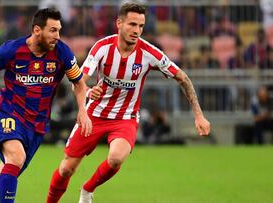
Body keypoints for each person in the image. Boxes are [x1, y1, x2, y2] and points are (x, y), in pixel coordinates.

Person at [46, 3, 210, 203]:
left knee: (116, 158)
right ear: (119, 23)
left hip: (125, 117)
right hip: (94, 114)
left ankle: (87, 189)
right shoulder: (102, 47)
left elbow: (183, 78)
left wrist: (199, 114)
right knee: (66, 169)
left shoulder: (149, 53)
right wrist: (89, 91)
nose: (137, 31)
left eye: (141, 26)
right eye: (132, 24)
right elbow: (78, 81)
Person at [0, 8, 92, 203]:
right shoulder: (12, 49)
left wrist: (83, 110)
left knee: (0, 179)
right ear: (37, 30)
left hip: (37, 123)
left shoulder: (62, 52)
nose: (57, 36)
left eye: (59, 30)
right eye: (53, 30)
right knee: (16, 158)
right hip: (10, 112)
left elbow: (79, 84)